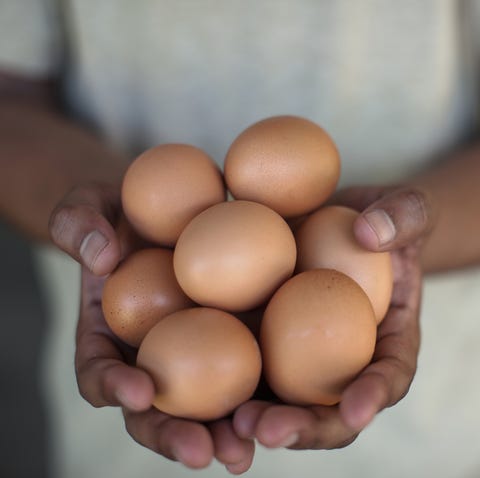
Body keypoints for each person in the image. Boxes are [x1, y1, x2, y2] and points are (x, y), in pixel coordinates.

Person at [2, 1, 480, 476]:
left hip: (422, 436)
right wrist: (109, 221)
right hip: (118, 443)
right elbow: (11, 105)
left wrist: (405, 240)